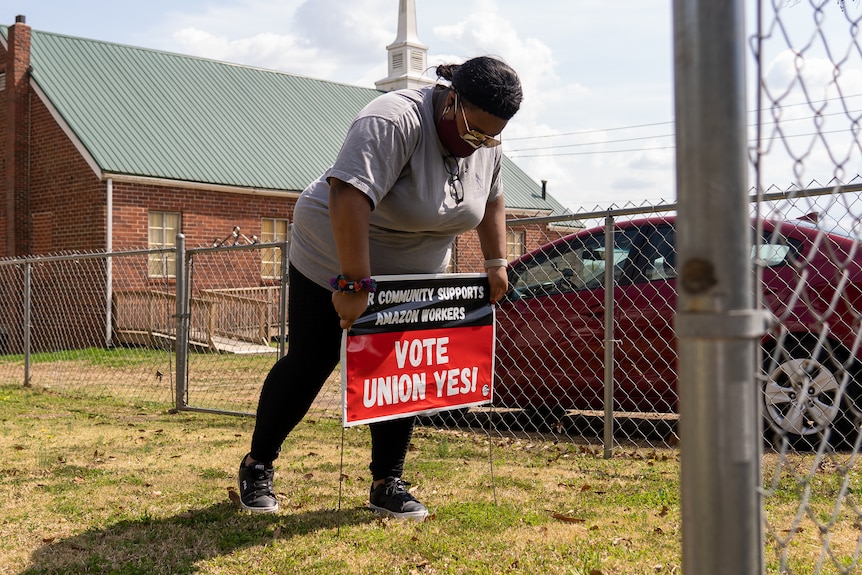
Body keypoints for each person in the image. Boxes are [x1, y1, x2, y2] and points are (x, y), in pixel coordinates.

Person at [237, 55, 523, 520]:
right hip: (335, 250)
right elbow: (347, 193)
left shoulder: (486, 139)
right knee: (314, 359)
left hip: (412, 270)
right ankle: (258, 464)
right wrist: (353, 281)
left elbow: (491, 197)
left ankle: (386, 481)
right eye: (474, 133)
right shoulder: (392, 119)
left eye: (491, 137)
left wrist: (496, 261)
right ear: (452, 102)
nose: (480, 146)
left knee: (399, 367)